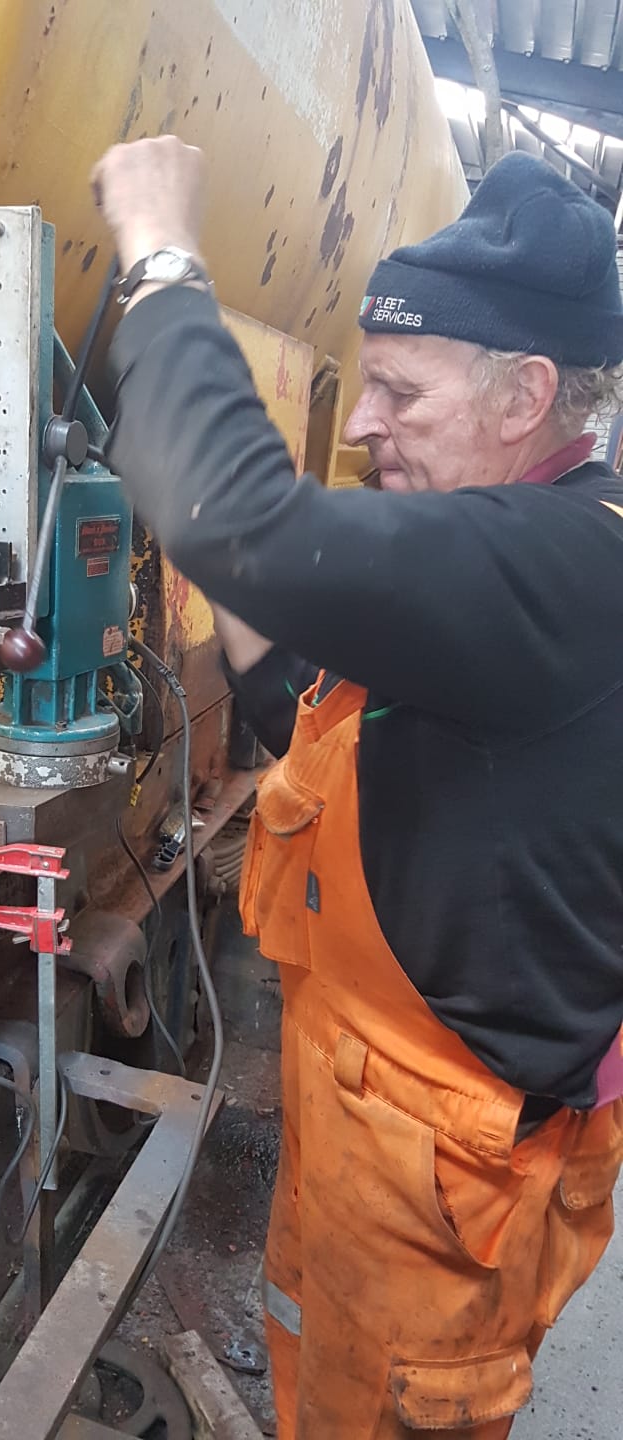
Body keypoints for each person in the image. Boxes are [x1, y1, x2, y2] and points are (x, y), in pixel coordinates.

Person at [90, 138, 623, 1438]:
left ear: (526, 394)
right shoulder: (494, 586)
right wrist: (247, 587)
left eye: (398, 389)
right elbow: (323, 730)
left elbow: (250, 525)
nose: (365, 421)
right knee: (312, 1372)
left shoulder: (569, 566)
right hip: (370, 1128)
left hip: (445, 1179)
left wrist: (161, 258)